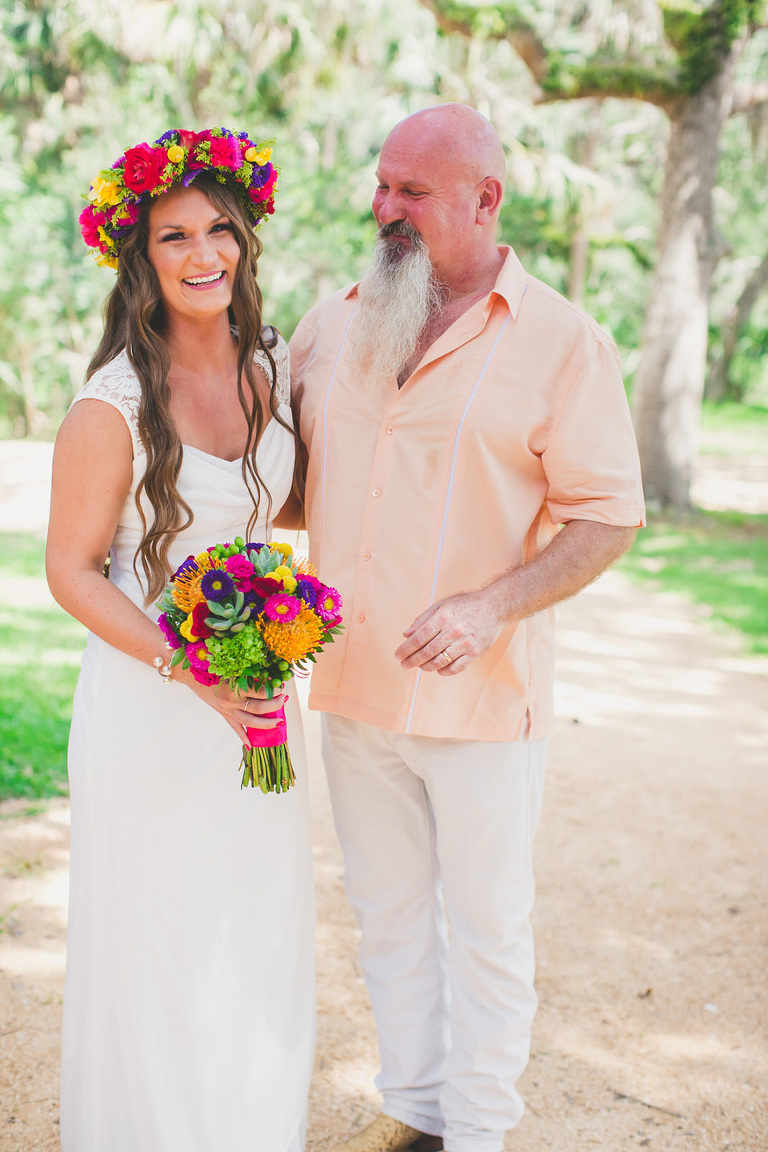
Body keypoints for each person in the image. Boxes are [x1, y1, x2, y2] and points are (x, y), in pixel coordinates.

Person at [289, 103, 645, 1152]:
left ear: (486, 201)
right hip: (351, 683)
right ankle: (416, 1115)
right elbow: (299, 487)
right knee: (388, 917)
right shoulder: (335, 320)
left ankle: (480, 1135)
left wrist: (492, 604)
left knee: (487, 933)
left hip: (479, 698)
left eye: (414, 192)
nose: (384, 208)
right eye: (383, 183)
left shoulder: (563, 342)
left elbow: (608, 512)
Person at [47, 128, 314, 1152]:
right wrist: (190, 669)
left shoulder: (275, 367)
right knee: (161, 945)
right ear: (139, 257)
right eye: (174, 237)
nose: (205, 254)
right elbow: (70, 572)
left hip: (257, 696)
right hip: (151, 707)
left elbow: (279, 526)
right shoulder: (109, 406)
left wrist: (273, 633)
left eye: (219, 230)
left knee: (256, 935)